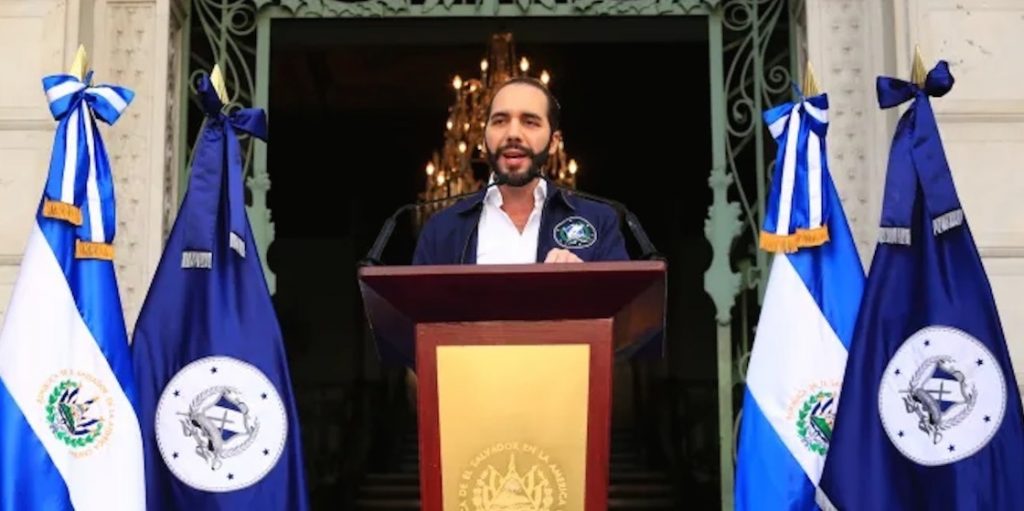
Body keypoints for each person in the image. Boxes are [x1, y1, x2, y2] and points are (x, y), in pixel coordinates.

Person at [412, 76, 629, 265]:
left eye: (530, 122)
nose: (513, 134)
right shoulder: (441, 229)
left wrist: (583, 283)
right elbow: (419, 300)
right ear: (484, 140)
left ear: (554, 142)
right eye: (500, 121)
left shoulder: (599, 220)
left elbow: (624, 298)